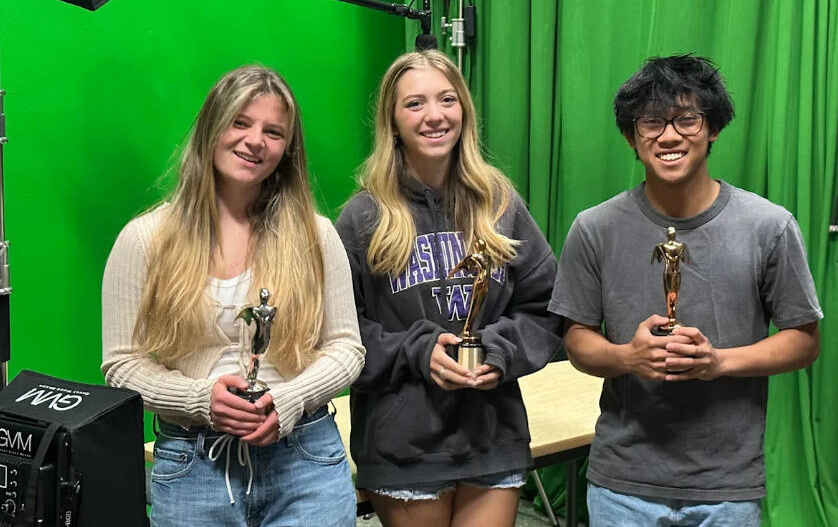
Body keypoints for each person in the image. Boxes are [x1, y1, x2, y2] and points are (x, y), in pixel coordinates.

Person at [549, 54, 822, 526]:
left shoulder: (769, 226)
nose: (669, 136)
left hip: (728, 486)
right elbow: (577, 340)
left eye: (687, 119)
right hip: (622, 482)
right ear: (631, 136)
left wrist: (718, 362)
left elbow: (803, 340)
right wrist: (628, 357)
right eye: (652, 122)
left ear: (712, 128)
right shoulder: (594, 228)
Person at [102, 65, 364, 526]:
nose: (255, 141)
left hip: (305, 459)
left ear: (287, 149)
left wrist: (291, 398)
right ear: (211, 127)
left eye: (273, 132)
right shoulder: (144, 239)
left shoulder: (315, 235)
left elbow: (347, 348)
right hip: (193, 464)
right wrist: (200, 399)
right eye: (240, 122)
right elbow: (122, 365)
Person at [335, 50, 562, 527]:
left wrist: (498, 351)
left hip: (491, 434)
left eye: (447, 99)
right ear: (392, 122)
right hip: (404, 446)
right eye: (414, 103)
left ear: (464, 110)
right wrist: (419, 352)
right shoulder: (363, 217)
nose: (434, 115)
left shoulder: (500, 203)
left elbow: (546, 307)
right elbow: (341, 333)